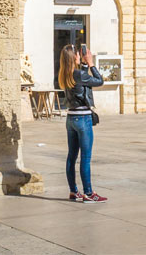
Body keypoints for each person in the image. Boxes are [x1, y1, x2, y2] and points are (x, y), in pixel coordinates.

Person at [55, 44, 106, 203]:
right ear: (73, 58)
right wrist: (90, 63)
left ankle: (73, 191)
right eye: (78, 54)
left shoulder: (65, 74)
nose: (80, 56)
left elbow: (82, 81)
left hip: (71, 118)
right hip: (83, 119)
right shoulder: (78, 74)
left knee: (71, 156)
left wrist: (83, 65)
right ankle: (89, 193)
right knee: (85, 157)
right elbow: (99, 81)